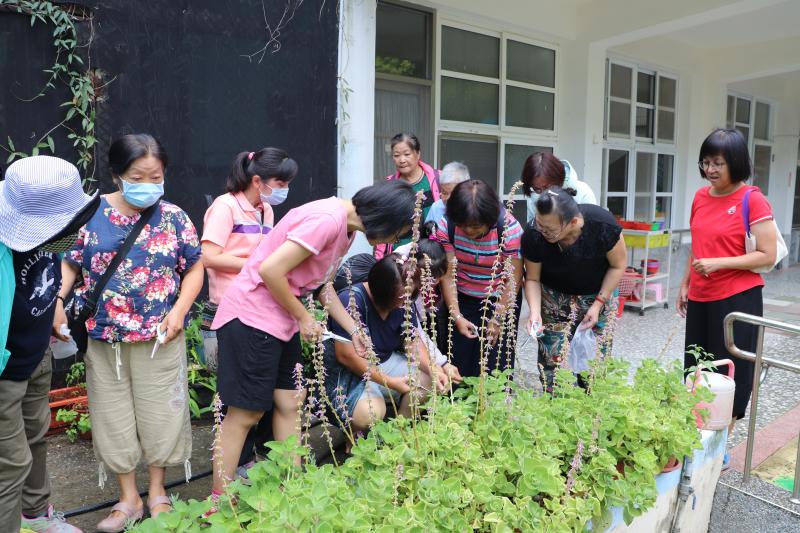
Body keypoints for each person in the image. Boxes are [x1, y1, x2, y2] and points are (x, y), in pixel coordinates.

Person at [210, 180, 417, 498]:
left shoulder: (346, 228)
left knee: (292, 401)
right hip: (251, 317)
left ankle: (294, 486)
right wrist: (305, 317)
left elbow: (323, 286)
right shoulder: (327, 220)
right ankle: (219, 500)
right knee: (245, 413)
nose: (393, 241)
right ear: (386, 219)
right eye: (397, 232)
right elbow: (271, 270)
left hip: (280, 320)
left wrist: (354, 329)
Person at [54, 134, 203, 531]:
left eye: (157, 176)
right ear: (118, 175)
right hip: (105, 337)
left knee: (161, 414)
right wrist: (57, 298)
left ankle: (157, 492)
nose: (149, 184)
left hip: (160, 336)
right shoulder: (88, 212)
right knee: (112, 416)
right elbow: (69, 262)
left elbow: (194, 267)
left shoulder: (175, 217)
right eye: (140, 176)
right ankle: (128, 498)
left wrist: (180, 310)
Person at [0, 156, 99, 533]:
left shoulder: (54, 229)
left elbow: (45, 275)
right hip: (4, 370)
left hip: (36, 352)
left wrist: (53, 311)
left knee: (36, 438)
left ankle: (36, 515)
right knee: (9, 463)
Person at [201, 147, 298, 470]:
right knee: (237, 396)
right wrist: (256, 264)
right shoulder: (225, 207)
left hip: (261, 312)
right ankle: (234, 469)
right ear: (257, 180)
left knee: (264, 395)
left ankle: (258, 462)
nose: (284, 189)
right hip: (231, 312)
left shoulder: (265, 211)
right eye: (280, 182)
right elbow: (210, 257)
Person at [678, 128, 777, 438]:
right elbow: (698, 243)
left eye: (718, 163)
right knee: (696, 365)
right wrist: (686, 282)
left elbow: (768, 255)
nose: (710, 170)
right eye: (706, 162)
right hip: (701, 294)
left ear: (735, 161)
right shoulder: (700, 196)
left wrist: (719, 263)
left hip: (737, 298)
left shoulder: (753, 200)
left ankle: (721, 438)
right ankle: (695, 431)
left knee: (730, 370)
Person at [324, 254, 456, 436]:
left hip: (385, 362)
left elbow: (412, 342)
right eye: (400, 300)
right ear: (381, 291)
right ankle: (354, 433)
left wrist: (433, 368)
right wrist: (390, 382)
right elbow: (346, 357)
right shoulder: (352, 300)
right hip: (353, 372)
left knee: (427, 381)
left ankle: (397, 433)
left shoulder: (404, 298)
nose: (403, 304)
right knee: (370, 413)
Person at [521, 187, 626, 389]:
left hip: (597, 295)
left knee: (594, 363)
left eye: (549, 229)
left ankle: (591, 410)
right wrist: (534, 313)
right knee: (551, 364)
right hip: (554, 300)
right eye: (539, 224)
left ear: (574, 222)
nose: (542, 231)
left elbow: (618, 265)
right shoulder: (534, 234)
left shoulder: (602, 225)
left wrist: (598, 305)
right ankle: (554, 407)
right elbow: (532, 279)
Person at [435, 180, 524, 378]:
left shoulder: (509, 230)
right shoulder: (446, 227)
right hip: (462, 297)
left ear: (490, 219)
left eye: (475, 227)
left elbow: (513, 278)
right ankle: (459, 407)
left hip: (500, 299)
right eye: (463, 226)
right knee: (459, 361)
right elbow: (448, 274)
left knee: (495, 366)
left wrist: (498, 318)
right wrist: (457, 316)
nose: (469, 232)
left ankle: (495, 406)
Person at [375, 132, 440, 258]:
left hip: (432, 255)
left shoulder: (438, 180)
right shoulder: (389, 186)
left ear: (418, 154)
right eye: (396, 155)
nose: (402, 160)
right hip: (399, 256)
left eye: (407, 154)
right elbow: (382, 227)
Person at [522, 152, 597, 221]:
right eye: (537, 189)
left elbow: (592, 229)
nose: (542, 195)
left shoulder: (583, 192)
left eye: (547, 188)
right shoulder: (534, 195)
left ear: (559, 180)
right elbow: (532, 228)